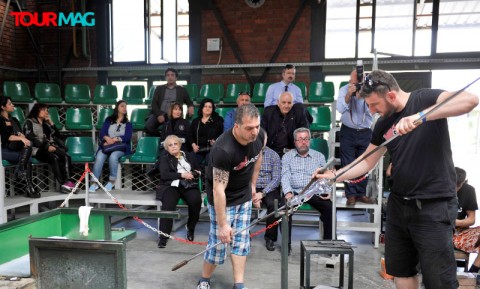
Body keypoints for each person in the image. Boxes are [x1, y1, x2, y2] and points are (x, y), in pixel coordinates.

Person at [313, 69, 479, 289]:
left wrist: (421, 116)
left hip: (433, 206)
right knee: (401, 271)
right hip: (400, 205)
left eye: (373, 105)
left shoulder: (425, 99)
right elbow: (366, 161)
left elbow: (470, 100)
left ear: (390, 95)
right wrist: (334, 175)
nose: (371, 112)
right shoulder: (384, 124)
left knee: (438, 280)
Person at [196, 103, 265, 289]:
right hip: (222, 199)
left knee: (241, 243)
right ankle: (204, 279)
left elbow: (258, 156)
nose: (255, 132)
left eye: (257, 126)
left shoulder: (260, 136)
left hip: (243, 196)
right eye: (249, 128)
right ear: (236, 126)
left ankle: (239, 284)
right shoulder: (223, 150)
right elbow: (218, 190)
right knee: (218, 245)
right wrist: (223, 224)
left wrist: (252, 184)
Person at [282, 127, 332, 254]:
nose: (303, 142)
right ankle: (286, 245)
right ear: (295, 142)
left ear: (309, 140)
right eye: (300, 139)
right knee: (285, 208)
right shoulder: (287, 157)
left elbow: (324, 177)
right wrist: (287, 192)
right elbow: (285, 175)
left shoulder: (319, 156)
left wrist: (327, 190)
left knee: (329, 207)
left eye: (305, 139)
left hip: (313, 192)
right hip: (295, 192)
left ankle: (327, 244)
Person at [156, 135, 202, 248]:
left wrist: (197, 173)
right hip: (171, 185)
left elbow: (199, 169)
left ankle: (190, 228)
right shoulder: (164, 157)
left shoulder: (189, 155)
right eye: (170, 145)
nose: (173, 147)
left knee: (196, 200)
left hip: (188, 185)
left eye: (175, 144)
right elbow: (164, 175)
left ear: (180, 145)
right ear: (166, 148)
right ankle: (163, 236)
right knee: (168, 205)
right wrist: (182, 175)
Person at [336, 69, 375, 205]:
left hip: (365, 131)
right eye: (356, 78)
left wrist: (364, 92)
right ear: (350, 79)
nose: (358, 80)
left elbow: (374, 108)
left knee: (365, 162)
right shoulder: (344, 89)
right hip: (348, 131)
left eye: (361, 78)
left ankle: (361, 193)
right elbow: (340, 108)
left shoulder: (370, 89)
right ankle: (351, 195)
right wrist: (349, 94)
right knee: (348, 163)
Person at [23, 103, 74, 193]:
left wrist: (51, 122)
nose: (46, 112)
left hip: (50, 146)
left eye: (47, 110)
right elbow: (31, 139)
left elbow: (57, 135)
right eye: (43, 110)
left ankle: (68, 182)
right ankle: (63, 184)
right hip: (36, 149)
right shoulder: (29, 122)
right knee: (54, 158)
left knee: (66, 157)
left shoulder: (46, 124)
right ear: (37, 110)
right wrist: (46, 147)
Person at [0, 96, 39, 198]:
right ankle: (29, 188)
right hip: (3, 150)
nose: (13, 105)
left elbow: (21, 134)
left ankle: (20, 171)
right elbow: (5, 138)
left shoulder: (14, 120)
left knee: (28, 147)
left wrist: (22, 137)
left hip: (15, 149)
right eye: (9, 104)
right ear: (2, 107)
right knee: (28, 158)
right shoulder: (0, 120)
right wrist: (21, 138)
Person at [89, 100, 133, 192]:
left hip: (120, 146)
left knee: (113, 157)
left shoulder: (128, 123)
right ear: (117, 108)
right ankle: (94, 183)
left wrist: (114, 139)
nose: (125, 108)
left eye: (125, 106)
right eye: (122, 106)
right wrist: (106, 138)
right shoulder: (109, 120)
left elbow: (127, 137)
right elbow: (102, 133)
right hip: (107, 145)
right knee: (99, 157)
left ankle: (111, 181)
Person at [145, 68, 194, 136]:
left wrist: (191, 106)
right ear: (166, 77)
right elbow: (154, 103)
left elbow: (189, 101)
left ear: (176, 77)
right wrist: (159, 114)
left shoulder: (182, 90)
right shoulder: (159, 88)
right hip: (159, 113)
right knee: (148, 126)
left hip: (173, 114)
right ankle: (161, 138)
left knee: (171, 129)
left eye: (172, 75)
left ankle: (166, 139)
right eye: (168, 75)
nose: (170, 77)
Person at [261, 91, 310, 158]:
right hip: (271, 151)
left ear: (292, 104)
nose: (286, 106)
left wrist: (296, 150)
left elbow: (304, 132)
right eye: (283, 102)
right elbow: (262, 132)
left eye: (289, 103)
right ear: (278, 103)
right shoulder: (269, 112)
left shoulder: (298, 112)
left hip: (291, 152)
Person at [255, 146, 282, 252]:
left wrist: (262, 193)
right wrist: (253, 193)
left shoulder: (274, 155)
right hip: (252, 186)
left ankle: (270, 238)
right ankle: (243, 234)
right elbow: (245, 175)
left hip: (269, 187)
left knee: (273, 204)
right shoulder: (247, 152)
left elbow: (276, 179)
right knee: (243, 200)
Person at [453, 167, 480, 272]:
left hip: (459, 233)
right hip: (437, 233)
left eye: (457, 185)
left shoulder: (468, 190)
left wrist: (453, 222)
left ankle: (473, 272)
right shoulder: (436, 188)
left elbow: (471, 219)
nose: (454, 188)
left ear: (462, 182)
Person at [188, 98, 224, 164]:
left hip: (212, 149)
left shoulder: (218, 120)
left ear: (212, 109)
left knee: (210, 160)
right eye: (205, 106)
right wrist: (193, 145)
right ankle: (197, 173)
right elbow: (190, 135)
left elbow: (221, 134)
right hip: (198, 149)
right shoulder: (196, 121)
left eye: (210, 107)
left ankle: (207, 174)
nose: (208, 108)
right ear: (202, 107)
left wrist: (215, 141)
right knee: (191, 159)